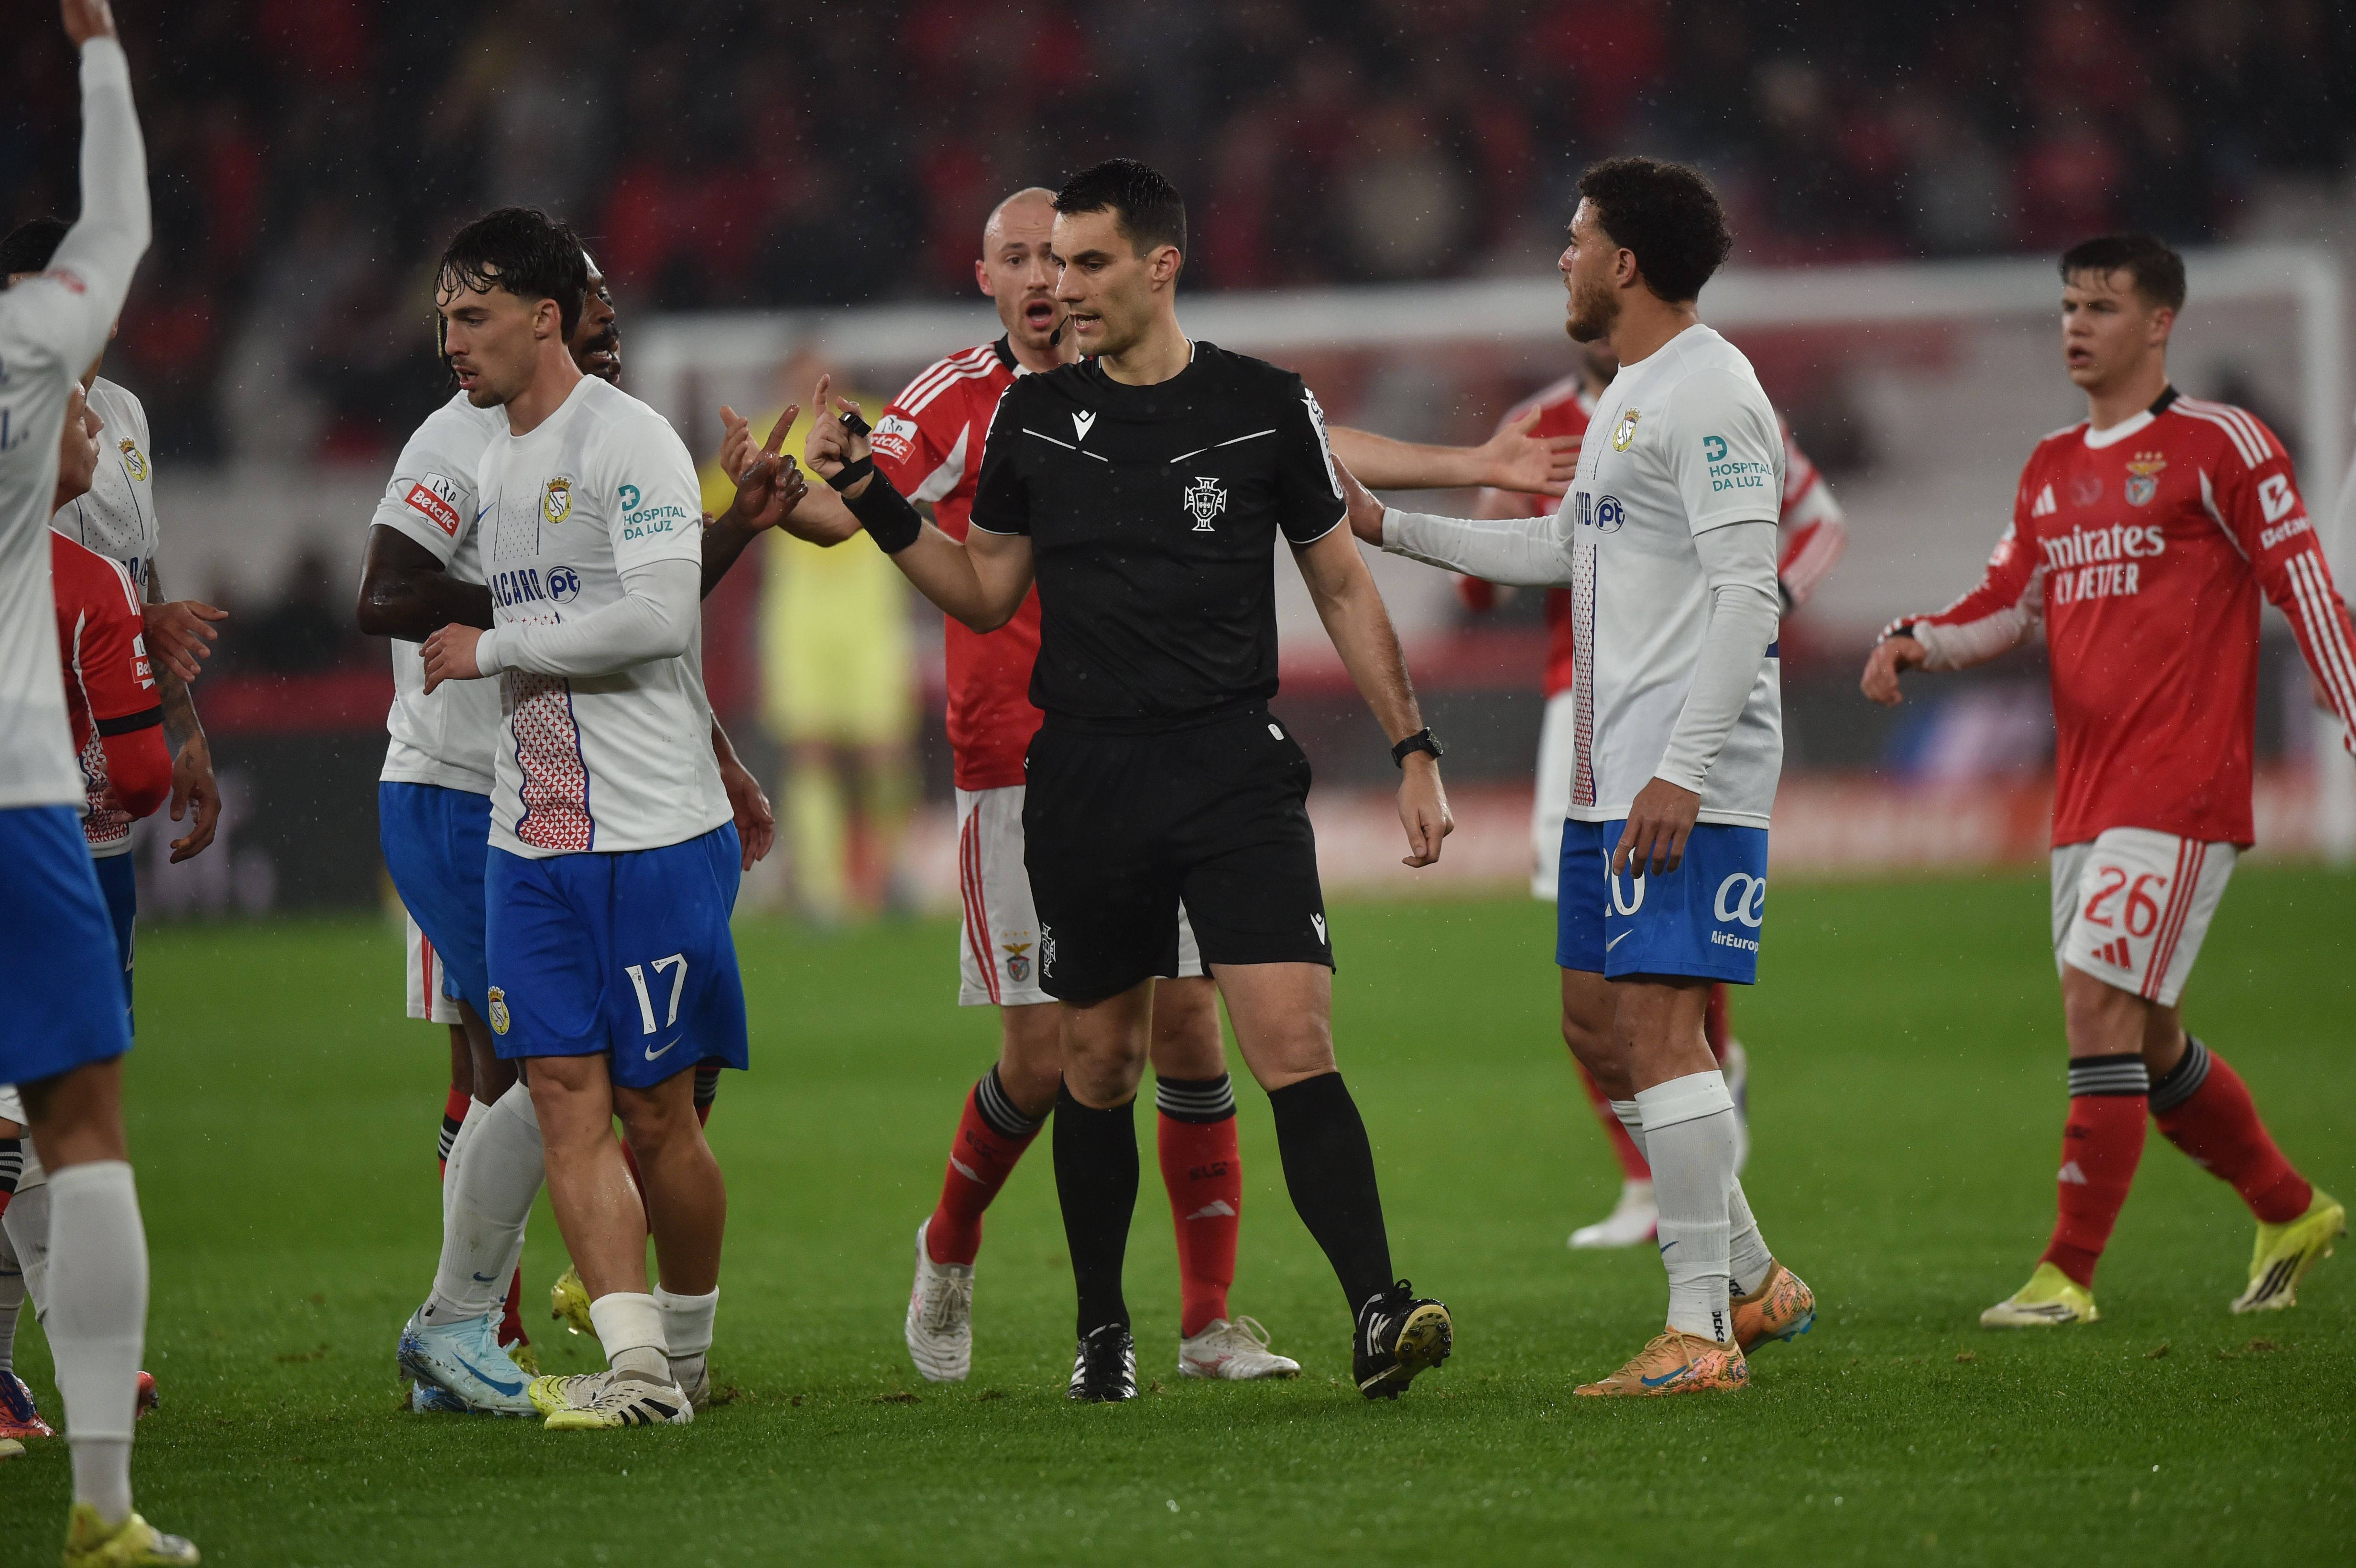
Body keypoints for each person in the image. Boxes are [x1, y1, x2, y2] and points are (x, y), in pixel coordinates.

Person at [805, 184, 1571, 1386]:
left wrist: (1413, 746)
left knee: (1286, 1039)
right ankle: (1098, 1329)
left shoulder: (1260, 403)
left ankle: (1373, 1306)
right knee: (1088, 1065)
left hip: (1229, 771)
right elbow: (984, 593)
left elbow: (1342, 584)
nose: (1061, 287)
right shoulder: (1026, 419)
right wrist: (866, 496)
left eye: (1086, 262)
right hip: (1079, 775)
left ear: (1159, 267)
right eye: (1045, 264)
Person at [1352, 156, 1814, 1397]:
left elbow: (1747, 591)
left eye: (1575, 239)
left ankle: (1701, 1332)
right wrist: (1390, 527)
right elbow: (1560, 544)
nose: (1559, 258)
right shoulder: (1629, 394)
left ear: (1625, 262)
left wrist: (1685, 769)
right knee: (1597, 1024)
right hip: (1612, 781)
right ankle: (1759, 1278)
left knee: (1664, 1029)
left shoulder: (1713, 392)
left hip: (1680, 779)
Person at [1863, 233, 2352, 1327]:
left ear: (2161, 322)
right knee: (2149, 1032)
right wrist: (1913, 639)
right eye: (2069, 306)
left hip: (2180, 784)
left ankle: (2067, 1274)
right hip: (2085, 795)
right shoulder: (2049, 465)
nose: (2078, 325)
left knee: (2096, 1004)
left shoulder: (2222, 444)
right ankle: (2289, 1206)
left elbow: (2303, 579)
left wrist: (2350, 699)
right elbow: (2002, 603)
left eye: (2103, 307)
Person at [363, 233, 783, 1416]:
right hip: (528, 831)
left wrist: (495, 645)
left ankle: (686, 1347)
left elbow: (654, 619)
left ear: (546, 318)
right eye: (445, 320)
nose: (452, 342)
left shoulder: (628, 438)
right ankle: (637, 1368)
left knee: (661, 1111)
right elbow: (403, 592)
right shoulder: (482, 458)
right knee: (557, 1091)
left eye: (476, 317)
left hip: (651, 830)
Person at [1458, 337, 1848, 1248]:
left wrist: (1771, 600)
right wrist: (1488, 501)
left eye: (1584, 250)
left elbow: (1821, 520)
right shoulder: (1544, 424)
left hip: (1685, 700)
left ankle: (1698, 1194)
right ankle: (1650, 1183)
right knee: (1587, 984)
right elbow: (1482, 595)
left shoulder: (1715, 399)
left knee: (1661, 949)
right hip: (1579, 704)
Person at [0, 0, 198, 1558]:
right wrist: (98, 45)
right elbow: (119, 215)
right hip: (15, 802)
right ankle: (101, 1504)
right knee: (80, 1127)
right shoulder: (28, 354)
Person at [1, 387, 173, 1455]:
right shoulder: (82, 580)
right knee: (54, 1120)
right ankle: (84, 1356)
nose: (98, 433)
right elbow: (145, 773)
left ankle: (41, 1362)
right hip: (42, 859)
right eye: (76, 419)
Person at [702, 359, 916, 924]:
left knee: (883, 751)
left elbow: (923, 481)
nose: (803, 383)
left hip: (870, 611)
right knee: (810, 750)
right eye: (794, 373)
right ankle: (824, 893)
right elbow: (697, 493)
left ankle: (887, 875)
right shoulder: (767, 436)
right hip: (799, 616)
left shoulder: (868, 426)